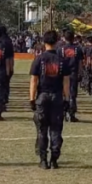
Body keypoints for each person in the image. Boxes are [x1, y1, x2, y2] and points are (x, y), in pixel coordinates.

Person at [28, 30, 71, 169]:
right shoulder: (62, 60)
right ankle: (54, 159)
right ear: (57, 41)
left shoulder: (39, 59)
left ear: (44, 42)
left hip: (42, 96)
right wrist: (67, 98)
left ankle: (43, 160)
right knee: (56, 129)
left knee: (42, 130)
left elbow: (34, 80)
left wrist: (31, 99)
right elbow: (66, 82)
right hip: (57, 97)